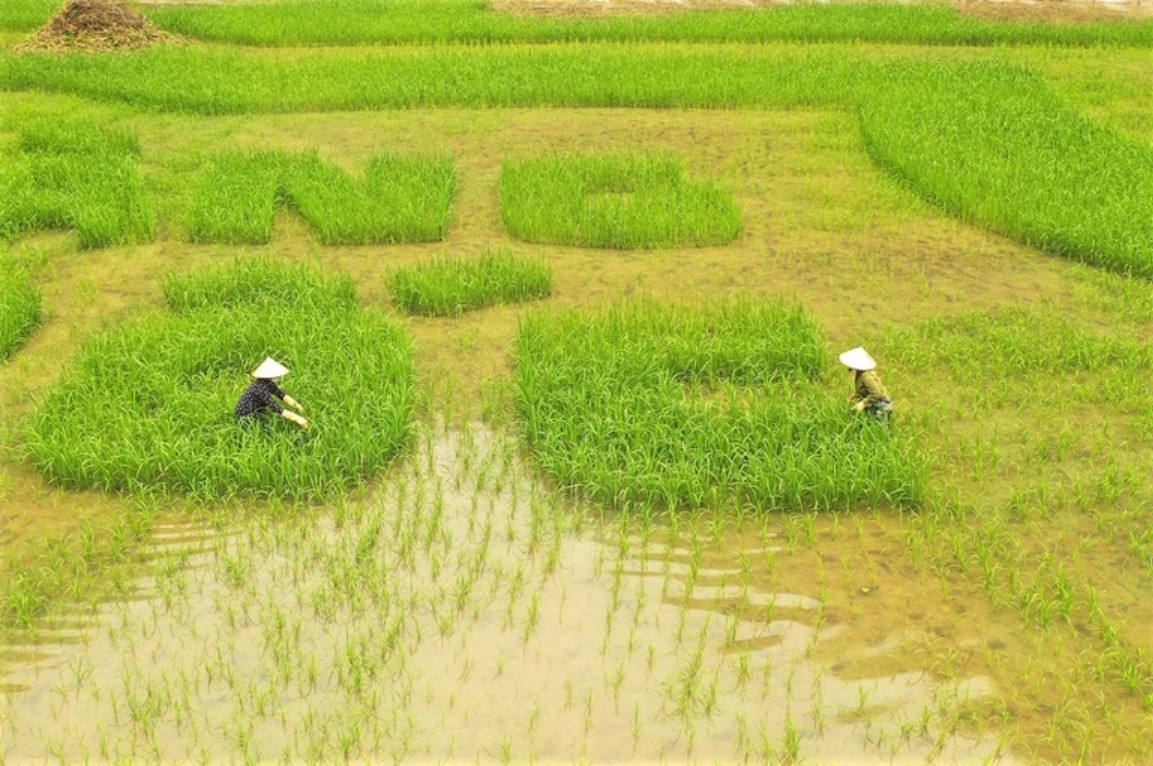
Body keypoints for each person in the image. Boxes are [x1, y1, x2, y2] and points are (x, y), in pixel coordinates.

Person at [234, 357, 309, 430]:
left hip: (257, 410)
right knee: (262, 429)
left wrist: (298, 406)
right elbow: (276, 408)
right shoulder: (260, 389)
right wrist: (298, 419)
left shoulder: (268, 383)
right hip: (246, 416)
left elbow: (282, 395)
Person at [838, 347, 892, 423]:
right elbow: (864, 388)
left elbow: (876, 394)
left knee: (876, 428)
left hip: (879, 406)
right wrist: (855, 395)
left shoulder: (867, 376)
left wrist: (862, 403)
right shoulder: (860, 373)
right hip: (872, 404)